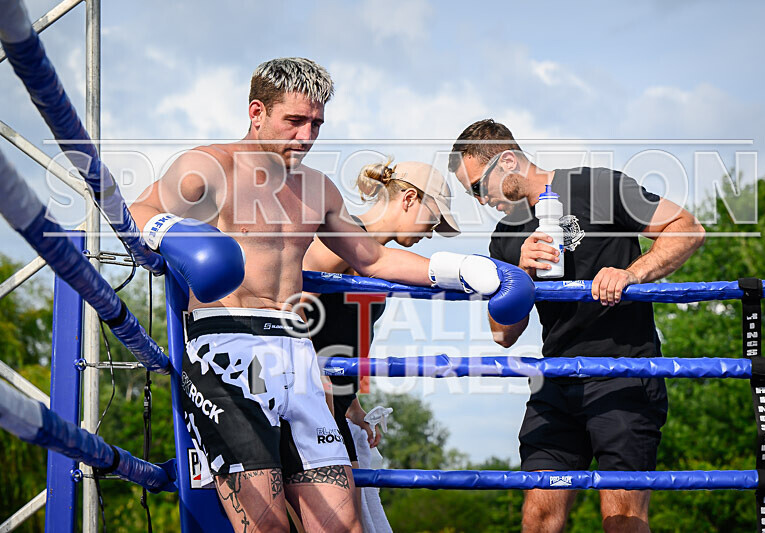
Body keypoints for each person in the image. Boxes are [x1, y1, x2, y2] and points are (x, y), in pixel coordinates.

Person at [130, 60, 533, 533]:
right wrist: (172, 234)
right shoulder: (209, 166)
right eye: (294, 121)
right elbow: (140, 208)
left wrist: (464, 269)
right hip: (226, 351)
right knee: (266, 527)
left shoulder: (317, 188)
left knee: (343, 527)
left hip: (297, 354)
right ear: (256, 111)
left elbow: (373, 260)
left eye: (316, 123)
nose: (306, 136)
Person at [449, 119, 706, 533]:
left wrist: (631, 274)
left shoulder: (597, 186)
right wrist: (519, 277)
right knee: (538, 517)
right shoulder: (504, 238)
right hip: (556, 380)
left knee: (621, 520)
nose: (480, 200)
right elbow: (502, 335)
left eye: (479, 187)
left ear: (508, 161)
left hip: (624, 370)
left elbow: (687, 229)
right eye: (470, 193)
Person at [303, 159, 459, 524]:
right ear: (408, 199)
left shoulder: (380, 264)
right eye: (433, 219)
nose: (432, 232)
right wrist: (314, 377)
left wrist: (352, 403)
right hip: (306, 407)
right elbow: (290, 308)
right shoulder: (341, 239)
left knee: (354, 522)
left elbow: (338, 334)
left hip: (333, 411)